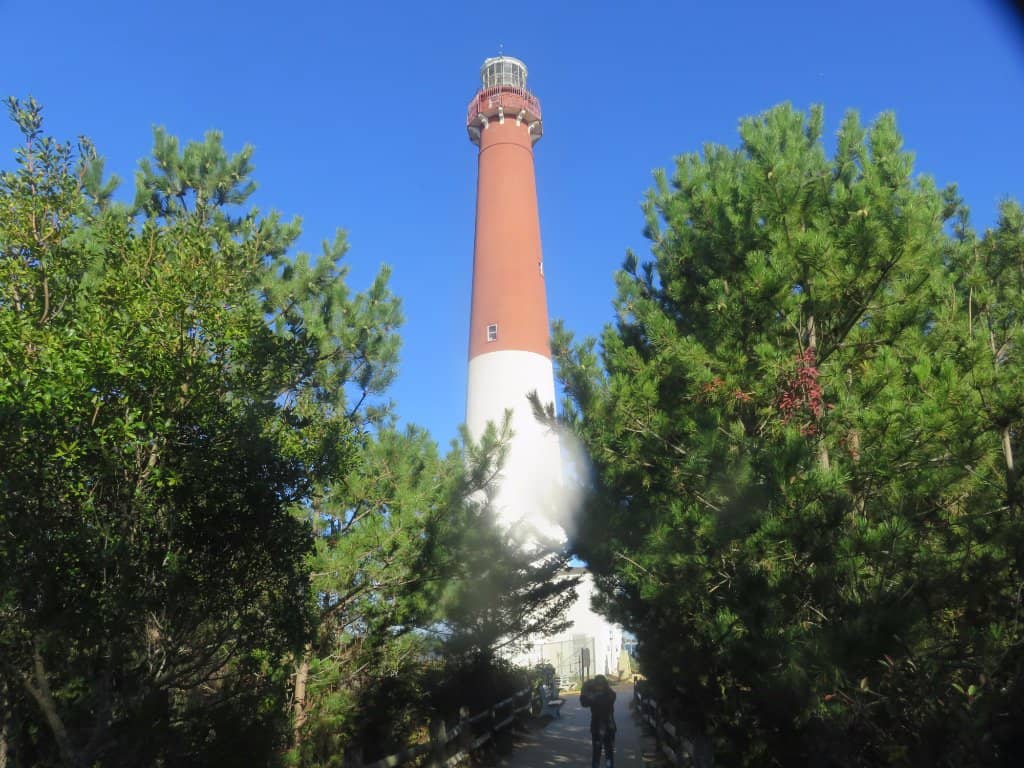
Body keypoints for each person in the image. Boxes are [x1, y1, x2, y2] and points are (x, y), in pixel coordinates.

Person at [579, 674, 616, 768]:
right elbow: (584, 702)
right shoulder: (609, 694)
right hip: (609, 726)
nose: (599, 687)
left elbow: (584, 702)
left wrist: (587, 690)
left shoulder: (594, 697)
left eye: (599, 685)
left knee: (597, 753)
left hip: (598, 727)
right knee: (608, 752)